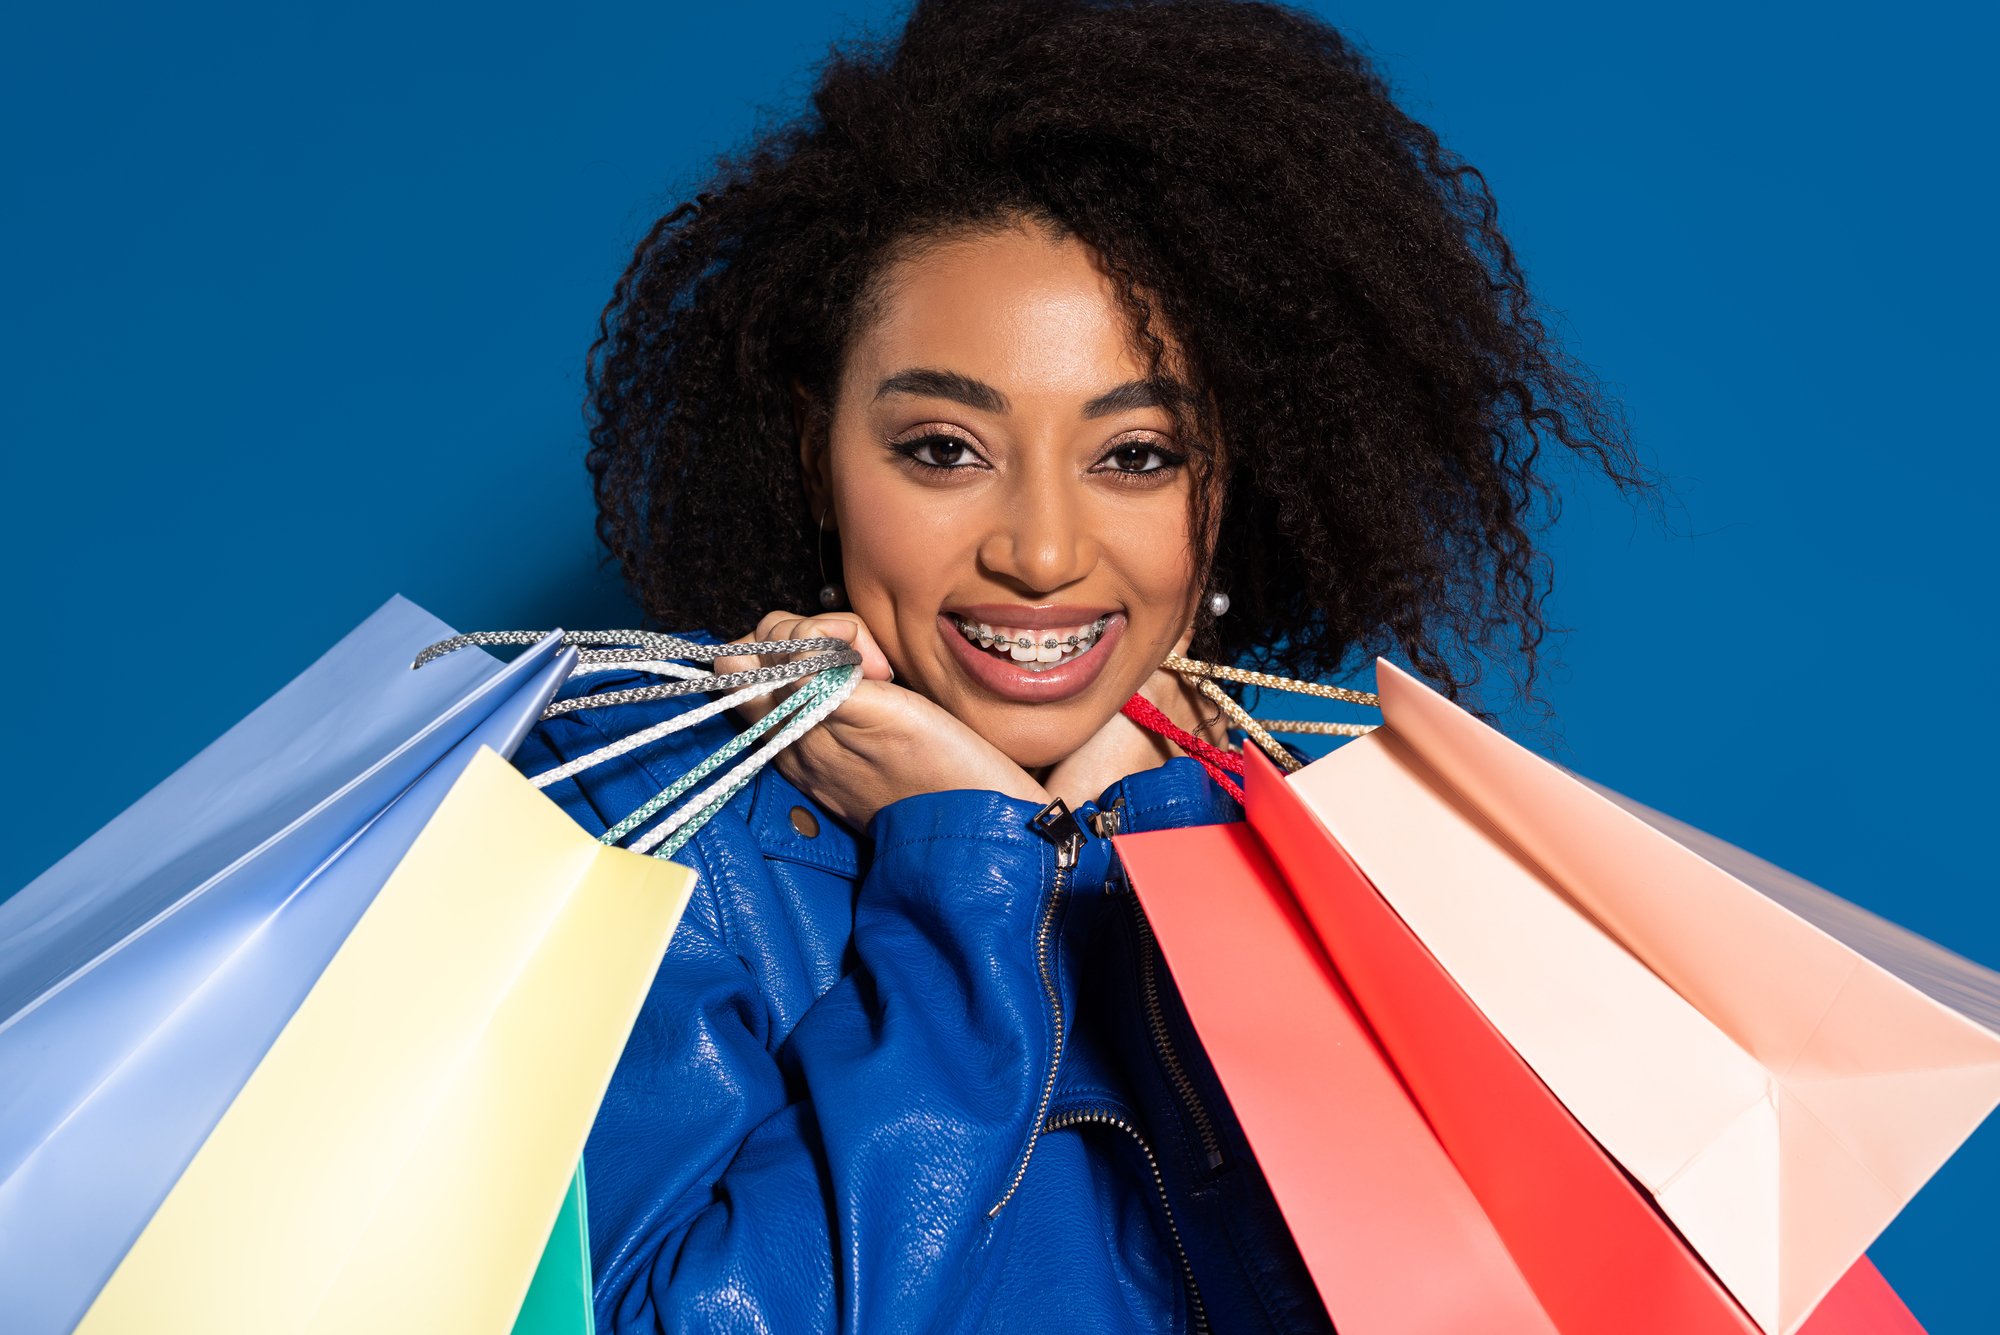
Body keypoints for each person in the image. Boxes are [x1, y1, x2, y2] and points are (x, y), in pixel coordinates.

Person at [512, 1, 1646, 1330]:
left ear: (1230, 488)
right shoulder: (631, 827)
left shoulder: (1346, 850)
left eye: (1136, 456)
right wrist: (963, 872)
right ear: (820, 458)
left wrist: (1161, 842)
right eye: (944, 449)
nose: (1044, 553)